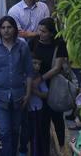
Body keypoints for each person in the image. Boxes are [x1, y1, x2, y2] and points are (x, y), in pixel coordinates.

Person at [0, 16, 33, 156]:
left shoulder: (22, 46)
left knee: (15, 130)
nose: (6, 30)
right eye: (3, 28)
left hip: (18, 96)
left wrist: (28, 94)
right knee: (4, 131)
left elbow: (29, 72)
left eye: (9, 27)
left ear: (14, 29)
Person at [30, 18, 70, 154]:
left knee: (57, 118)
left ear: (51, 33)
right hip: (37, 87)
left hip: (54, 86)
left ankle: (62, 148)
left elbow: (57, 68)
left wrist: (41, 79)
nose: (40, 33)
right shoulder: (34, 42)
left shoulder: (59, 44)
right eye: (39, 30)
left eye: (44, 31)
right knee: (42, 121)